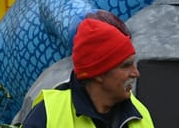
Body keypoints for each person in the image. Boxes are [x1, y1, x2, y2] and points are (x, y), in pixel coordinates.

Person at [22, 16, 154, 128]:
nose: (136, 73)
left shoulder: (140, 116)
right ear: (99, 74)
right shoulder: (48, 114)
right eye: (126, 66)